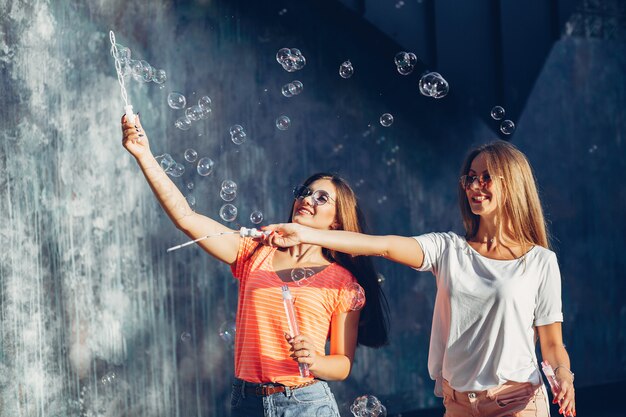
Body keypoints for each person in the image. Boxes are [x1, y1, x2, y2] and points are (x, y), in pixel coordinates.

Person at [263, 140, 576, 417]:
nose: (473, 186)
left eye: (485, 177)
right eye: (470, 177)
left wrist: (563, 375)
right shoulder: (447, 249)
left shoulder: (540, 262)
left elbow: (552, 344)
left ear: (513, 184)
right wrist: (306, 233)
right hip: (459, 406)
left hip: (518, 404)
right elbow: (381, 245)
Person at [120, 115, 389, 417]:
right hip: (246, 403)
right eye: (305, 191)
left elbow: (342, 364)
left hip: (305, 403)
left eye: (321, 197)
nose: (307, 199)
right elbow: (187, 218)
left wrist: (314, 359)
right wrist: (144, 155)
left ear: (336, 220)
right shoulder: (254, 253)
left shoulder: (341, 282)